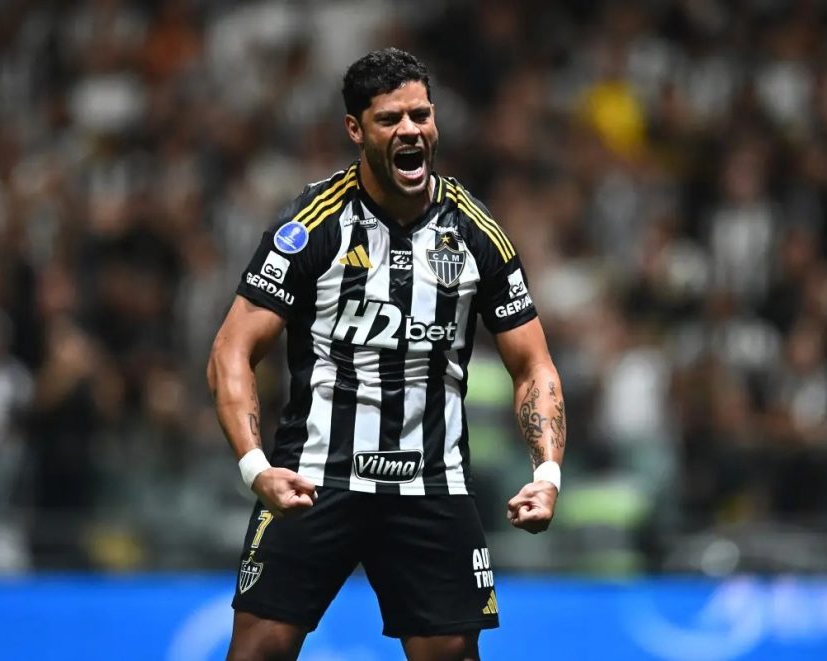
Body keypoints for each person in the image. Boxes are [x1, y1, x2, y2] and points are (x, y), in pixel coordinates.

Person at [207, 47, 566, 661]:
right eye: (390, 119)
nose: (410, 130)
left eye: (421, 115)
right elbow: (230, 351)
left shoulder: (475, 232)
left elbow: (534, 364)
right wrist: (255, 467)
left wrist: (547, 474)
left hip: (432, 480)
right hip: (316, 474)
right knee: (258, 650)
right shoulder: (312, 225)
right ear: (356, 129)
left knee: (450, 654)